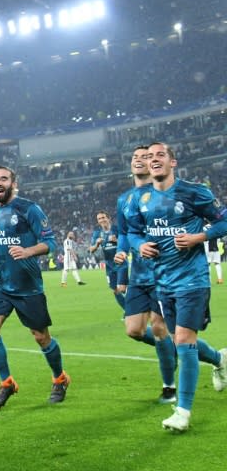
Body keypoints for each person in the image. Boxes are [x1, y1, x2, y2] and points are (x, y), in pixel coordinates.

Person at [125, 142, 227, 432]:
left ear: (173, 163)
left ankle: (182, 411)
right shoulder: (141, 199)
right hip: (162, 281)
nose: (153, 160)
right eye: (150, 157)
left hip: (192, 280)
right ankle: (220, 358)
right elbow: (132, 233)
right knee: (179, 339)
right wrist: (140, 245)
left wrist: (198, 237)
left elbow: (224, 221)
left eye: (160, 156)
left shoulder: (194, 192)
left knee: (182, 340)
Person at [0, 166, 69, 409]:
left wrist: (27, 251)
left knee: (40, 336)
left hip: (27, 285)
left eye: (3, 178)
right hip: (0, 284)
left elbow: (50, 243)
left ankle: (60, 378)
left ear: (14, 183)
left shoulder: (29, 209)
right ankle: (7, 383)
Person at [114, 145, 178, 403]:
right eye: (135, 157)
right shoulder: (125, 199)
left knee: (160, 327)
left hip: (164, 272)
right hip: (139, 274)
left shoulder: (163, 192)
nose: (140, 161)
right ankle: (215, 357)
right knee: (134, 330)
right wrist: (121, 267)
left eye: (146, 157)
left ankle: (169, 387)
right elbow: (123, 234)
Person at [89, 210, 128, 310]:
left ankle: (134, 310)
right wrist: (97, 244)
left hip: (120, 263)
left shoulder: (117, 229)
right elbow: (91, 250)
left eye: (103, 217)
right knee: (115, 290)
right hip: (109, 265)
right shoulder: (97, 233)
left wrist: (117, 241)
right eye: (99, 219)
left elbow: (127, 244)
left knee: (122, 288)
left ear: (108, 218)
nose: (101, 220)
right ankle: (127, 311)